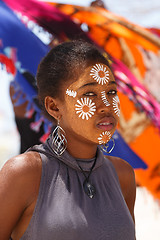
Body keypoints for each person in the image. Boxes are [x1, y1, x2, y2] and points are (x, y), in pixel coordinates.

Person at [0, 40, 136, 240]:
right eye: (89, 94)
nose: (106, 105)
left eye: (111, 92)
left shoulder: (122, 175)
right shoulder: (24, 173)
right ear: (54, 107)